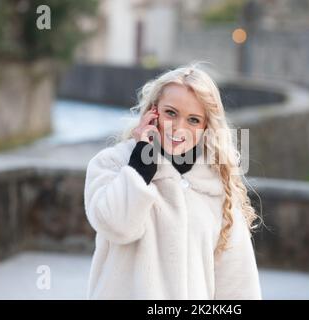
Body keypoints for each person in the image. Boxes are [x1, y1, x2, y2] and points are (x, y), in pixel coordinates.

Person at [84, 63, 263, 299]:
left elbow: (238, 286)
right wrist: (140, 167)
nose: (179, 128)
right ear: (152, 111)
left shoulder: (219, 186)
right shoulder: (112, 164)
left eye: (193, 120)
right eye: (171, 113)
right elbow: (118, 226)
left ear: (206, 127)